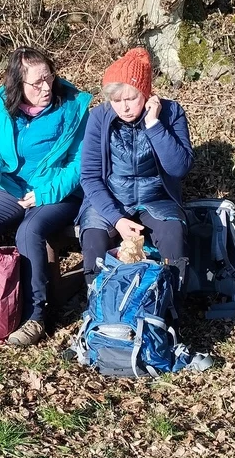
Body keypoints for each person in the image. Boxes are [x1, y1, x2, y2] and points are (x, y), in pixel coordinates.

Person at [0, 47, 92, 347]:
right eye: (37, 83)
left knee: (29, 231)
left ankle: (36, 315)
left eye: (49, 78)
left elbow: (79, 164)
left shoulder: (72, 107)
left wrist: (44, 194)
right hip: (13, 187)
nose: (46, 87)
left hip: (57, 192)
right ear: (17, 84)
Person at [79, 47, 192, 284]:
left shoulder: (171, 113)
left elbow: (179, 168)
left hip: (157, 199)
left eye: (131, 98)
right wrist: (116, 219)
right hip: (110, 198)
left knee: (173, 234)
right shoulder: (99, 117)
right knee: (93, 240)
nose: (124, 107)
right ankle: (99, 305)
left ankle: (169, 303)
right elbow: (89, 176)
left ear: (146, 92)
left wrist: (154, 125)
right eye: (116, 101)